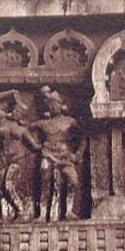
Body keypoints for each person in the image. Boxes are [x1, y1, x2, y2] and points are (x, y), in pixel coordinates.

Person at [32, 86, 85, 221]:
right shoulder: (44, 123)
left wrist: (77, 155)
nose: (53, 107)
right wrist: (37, 145)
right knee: (45, 179)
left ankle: (68, 211)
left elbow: (84, 136)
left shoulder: (70, 121)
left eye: (55, 104)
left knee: (73, 180)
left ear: (61, 105)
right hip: (48, 155)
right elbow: (26, 129)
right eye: (50, 104)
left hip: (65, 155)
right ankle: (43, 214)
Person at [0, 90, 41, 220]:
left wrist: (47, 146)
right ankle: (11, 212)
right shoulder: (2, 118)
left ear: (22, 116)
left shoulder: (22, 130)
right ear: (12, 109)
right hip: (3, 157)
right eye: (15, 109)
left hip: (16, 159)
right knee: (1, 188)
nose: (16, 112)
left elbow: (34, 145)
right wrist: (10, 92)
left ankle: (21, 209)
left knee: (8, 184)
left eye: (19, 112)